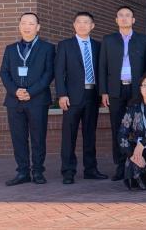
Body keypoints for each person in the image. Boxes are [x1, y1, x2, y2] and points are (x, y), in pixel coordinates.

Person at [1, 13, 55, 186]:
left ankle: (38, 171)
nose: (27, 26)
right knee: (18, 137)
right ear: (19, 26)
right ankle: (22, 172)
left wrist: (30, 92)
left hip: (37, 100)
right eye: (23, 23)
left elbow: (48, 74)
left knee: (38, 137)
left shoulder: (47, 48)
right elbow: (4, 72)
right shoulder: (10, 49)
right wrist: (15, 91)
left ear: (37, 27)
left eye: (31, 23)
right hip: (14, 100)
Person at [55, 12, 108, 184]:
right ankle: (68, 171)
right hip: (71, 97)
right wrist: (61, 95)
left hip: (92, 95)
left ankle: (90, 169)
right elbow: (59, 72)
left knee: (90, 134)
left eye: (86, 22)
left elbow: (102, 70)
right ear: (74, 25)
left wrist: (103, 92)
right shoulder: (65, 45)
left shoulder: (98, 46)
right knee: (69, 136)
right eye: (79, 22)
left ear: (92, 26)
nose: (82, 25)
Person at [99, 5, 146, 181]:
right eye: (120, 15)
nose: (124, 18)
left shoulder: (144, 40)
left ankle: (138, 162)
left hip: (137, 90)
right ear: (116, 19)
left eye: (128, 15)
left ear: (133, 20)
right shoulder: (108, 40)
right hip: (116, 89)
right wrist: (104, 92)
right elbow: (102, 67)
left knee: (138, 127)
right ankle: (121, 166)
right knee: (118, 128)